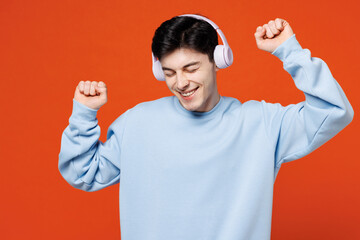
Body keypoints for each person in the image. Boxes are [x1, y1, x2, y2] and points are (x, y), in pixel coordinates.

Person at [58, 14, 354, 240]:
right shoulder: (137, 122)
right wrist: (84, 115)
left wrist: (290, 52)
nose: (181, 83)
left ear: (218, 60)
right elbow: (83, 173)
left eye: (191, 68)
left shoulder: (260, 123)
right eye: (169, 72)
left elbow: (332, 111)